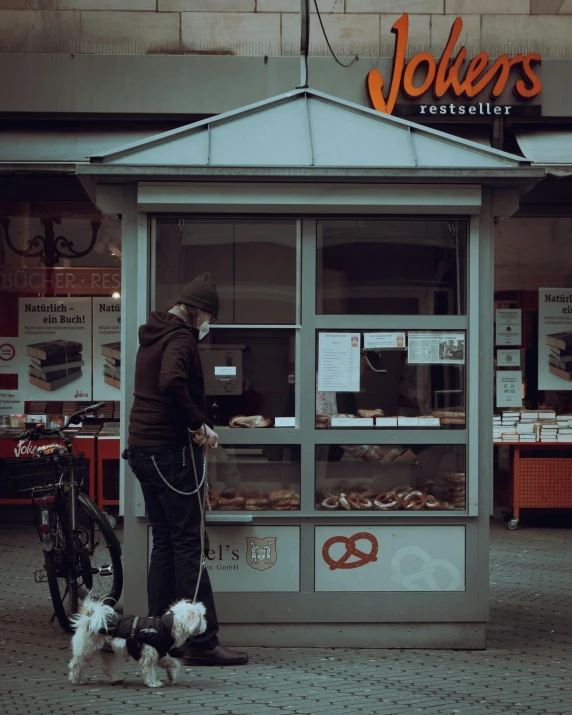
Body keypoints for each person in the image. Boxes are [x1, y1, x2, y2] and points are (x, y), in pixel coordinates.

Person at [126, 272, 248, 666]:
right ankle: (202, 641)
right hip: (170, 454)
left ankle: (158, 636)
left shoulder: (154, 334)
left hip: (143, 449)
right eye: (208, 315)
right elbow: (172, 381)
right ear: (195, 311)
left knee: (164, 541)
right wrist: (198, 424)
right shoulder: (180, 337)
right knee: (188, 544)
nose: (207, 324)